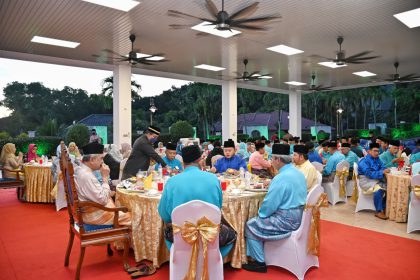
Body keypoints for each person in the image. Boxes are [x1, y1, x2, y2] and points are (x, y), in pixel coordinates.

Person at [158, 145, 233, 257]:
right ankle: (213, 257)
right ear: (200, 160)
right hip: (209, 234)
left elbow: (164, 214)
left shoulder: (172, 182)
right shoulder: (213, 179)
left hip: (181, 234)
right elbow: (218, 207)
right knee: (232, 233)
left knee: (167, 230)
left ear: (183, 161)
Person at [243, 144, 307, 273]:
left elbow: (269, 206)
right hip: (299, 215)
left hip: (286, 220)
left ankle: (259, 262)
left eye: (272, 158)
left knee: (251, 224)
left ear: (278, 160)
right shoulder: (297, 172)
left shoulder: (281, 177)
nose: (270, 161)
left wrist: (260, 214)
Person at [74, 142, 131, 225]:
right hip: (94, 216)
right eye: (101, 158)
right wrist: (105, 177)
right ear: (92, 160)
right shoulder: (87, 175)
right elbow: (103, 200)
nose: (103, 162)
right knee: (133, 216)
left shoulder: (79, 169)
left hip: (88, 210)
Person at [358, 142, 390, 220]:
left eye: (378, 151)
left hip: (375, 179)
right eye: (375, 151)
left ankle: (384, 207)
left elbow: (383, 167)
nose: (377, 153)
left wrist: (384, 170)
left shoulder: (377, 159)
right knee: (378, 189)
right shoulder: (364, 161)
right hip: (366, 181)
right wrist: (381, 172)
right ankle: (379, 211)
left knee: (390, 188)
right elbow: (369, 174)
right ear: (369, 151)